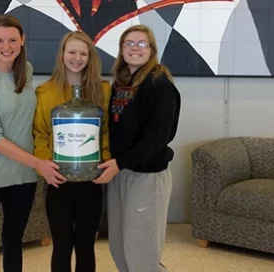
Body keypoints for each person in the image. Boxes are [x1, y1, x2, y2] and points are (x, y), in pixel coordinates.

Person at [0, 14, 64, 272]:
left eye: (12, 40)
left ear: (22, 40)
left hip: (22, 175)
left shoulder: (25, 70)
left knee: (13, 242)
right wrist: (38, 163)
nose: (6, 46)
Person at [93, 24, 181, 272]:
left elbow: (157, 137)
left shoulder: (158, 83)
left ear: (151, 50)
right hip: (119, 173)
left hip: (146, 176)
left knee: (142, 251)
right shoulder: (119, 84)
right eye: (129, 43)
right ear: (121, 49)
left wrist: (122, 162)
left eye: (141, 43)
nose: (135, 48)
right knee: (119, 248)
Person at [33, 31, 111, 272]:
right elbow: (41, 134)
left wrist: (105, 162)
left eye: (83, 53)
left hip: (92, 180)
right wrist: (45, 165)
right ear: (62, 55)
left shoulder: (104, 90)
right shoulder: (45, 92)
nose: (77, 58)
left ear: (90, 57)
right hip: (58, 181)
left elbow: (107, 133)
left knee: (86, 245)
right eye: (72, 52)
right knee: (62, 244)